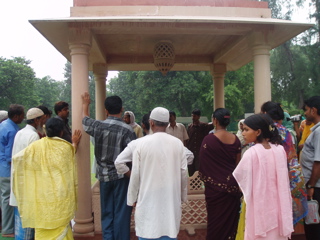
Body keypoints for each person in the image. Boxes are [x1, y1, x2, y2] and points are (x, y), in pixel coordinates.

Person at [12, 117, 81, 240]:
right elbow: (72, 151)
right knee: (61, 227)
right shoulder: (65, 147)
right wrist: (75, 143)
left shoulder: (36, 147)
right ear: (61, 132)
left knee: (43, 225)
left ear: (46, 129)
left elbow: (17, 159)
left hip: (41, 195)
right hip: (59, 197)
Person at [127, 107, 188, 240]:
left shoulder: (141, 144)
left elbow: (135, 175)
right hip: (171, 202)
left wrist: (132, 199)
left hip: (147, 201)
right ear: (167, 124)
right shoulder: (177, 144)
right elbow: (184, 173)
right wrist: (183, 197)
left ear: (151, 123)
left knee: (148, 231)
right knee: (169, 230)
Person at [82, 92, 136, 240]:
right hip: (121, 176)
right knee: (122, 213)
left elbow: (85, 120)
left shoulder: (98, 126)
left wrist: (85, 105)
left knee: (106, 212)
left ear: (106, 110)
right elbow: (133, 155)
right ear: (121, 109)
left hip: (104, 177)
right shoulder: (127, 130)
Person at [233, 113, 293, 240]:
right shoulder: (280, 150)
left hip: (259, 208)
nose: (243, 133)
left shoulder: (251, 153)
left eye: (246, 129)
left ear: (258, 131)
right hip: (279, 208)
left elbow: (241, 181)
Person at [261, 101, 307, 225]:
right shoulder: (288, 131)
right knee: (285, 221)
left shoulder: (267, 133)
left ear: (265, 114)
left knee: (274, 222)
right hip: (293, 177)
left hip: (277, 178)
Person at [199, 108, 241, 240]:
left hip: (214, 191)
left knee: (215, 225)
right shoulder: (236, 139)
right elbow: (238, 166)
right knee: (231, 226)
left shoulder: (208, 140)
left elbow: (203, 165)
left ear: (215, 120)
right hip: (232, 189)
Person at [10, 108, 45, 240]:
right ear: (36, 120)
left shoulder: (20, 132)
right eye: (42, 119)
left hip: (18, 182)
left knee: (20, 224)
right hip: (27, 184)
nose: (43, 122)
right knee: (28, 227)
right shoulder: (33, 136)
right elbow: (35, 163)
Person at [0, 104, 24, 237]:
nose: (23, 117)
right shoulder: (11, 130)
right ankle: (8, 229)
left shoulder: (4, 125)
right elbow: (11, 155)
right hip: (7, 170)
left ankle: (6, 226)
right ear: (15, 116)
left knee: (4, 198)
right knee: (8, 199)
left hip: (2, 168)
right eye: (21, 115)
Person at [300, 96, 320, 239]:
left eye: (306, 110)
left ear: (314, 110)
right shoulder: (314, 131)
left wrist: (311, 185)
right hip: (314, 185)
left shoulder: (319, 133)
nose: (305, 114)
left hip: (316, 186)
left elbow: (318, 162)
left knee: (314, 225)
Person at [186, 109, 213, 176]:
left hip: (200, 152)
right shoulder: (190, 127)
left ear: (198, 117)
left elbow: (213, 125)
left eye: (194, 116)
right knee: (191, 171)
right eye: (192, 116)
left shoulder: (204, 126)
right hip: (191, 152)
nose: (193, 118)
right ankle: (193, 186)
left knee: (200, 171)